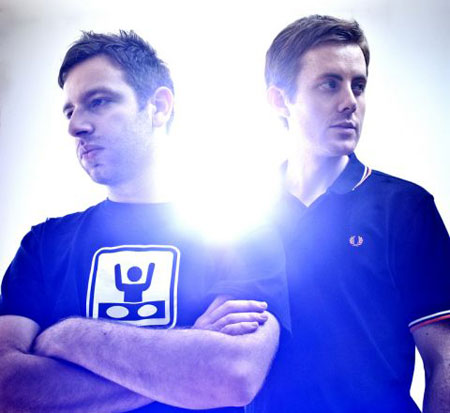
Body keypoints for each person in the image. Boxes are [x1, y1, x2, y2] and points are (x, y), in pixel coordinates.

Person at [0, 30, 289, 412]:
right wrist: (186, 356)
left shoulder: (244, 234)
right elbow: (6, 387)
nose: (76, 125)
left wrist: (68, 336)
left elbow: (230, 375)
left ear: (158, 106)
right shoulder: (43, 245)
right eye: (70, 111)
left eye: (98, 102)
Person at [260, 14, 450, 412]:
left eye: (358, 86)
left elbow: (444, 356)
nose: (350, 102)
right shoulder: (246, 212)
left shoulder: (405, 207)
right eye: (330, 84)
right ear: (280, 100)